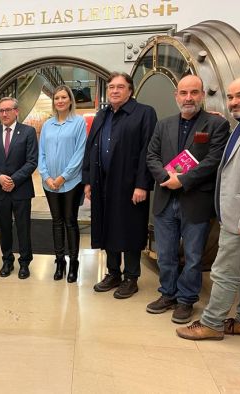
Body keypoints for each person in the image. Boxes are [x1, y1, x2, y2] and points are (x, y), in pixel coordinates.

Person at [177, 76, 240, 340]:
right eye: (231, 97)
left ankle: (212, 323)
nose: (234, 102)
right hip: (238, 216)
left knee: (223, 271)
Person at [145, 75, 230, 324]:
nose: (188, 98)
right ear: (176, 96)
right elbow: (151, 155)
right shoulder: (163, 124)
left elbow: (213, 160)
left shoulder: (216, 125)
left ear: (202, 95)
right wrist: (166, 177)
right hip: (165, 199)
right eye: (183, 93)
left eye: (194, 92)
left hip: (195, 201)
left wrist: (183, 180)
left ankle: (186, 299)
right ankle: (168, 294)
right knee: (166, 254)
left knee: (193, 256)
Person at [82, 72, 157, 299]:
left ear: (130, 90)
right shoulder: (102, 115)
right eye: (112, 87)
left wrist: (142, 184)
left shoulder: (144, 113)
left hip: (130, 184)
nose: (115, 90)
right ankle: (113, 272)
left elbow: (148, 150)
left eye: (120, 87)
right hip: (102, 182)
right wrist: (88, 180)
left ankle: (131, 277)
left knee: (130, 229)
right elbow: (91, 148)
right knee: (108, 227)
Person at [38, 85, 86, 282]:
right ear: (54, 101)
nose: (60, 101)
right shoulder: (47, 125)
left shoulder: (78, 123)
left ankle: (74, 262)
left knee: (70, 220)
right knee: (56, 222)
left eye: (64, 97)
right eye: (57, 98)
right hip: (49, 183)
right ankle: (60, 261)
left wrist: (63, 177)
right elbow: (41, 153)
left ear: (70, 100)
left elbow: (79, 154)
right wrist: (46, 176)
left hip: (71, 182)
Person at [0, 97, 38, 279]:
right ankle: (7, 260)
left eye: (8, 110)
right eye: (1, 111)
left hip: (21, 190)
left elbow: (32, 161)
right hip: (0, 191)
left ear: (17, 111)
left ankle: (25, 262)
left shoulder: (28, 132)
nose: (4, 114)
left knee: (23, 227)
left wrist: (13, 180)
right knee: (4, 227)